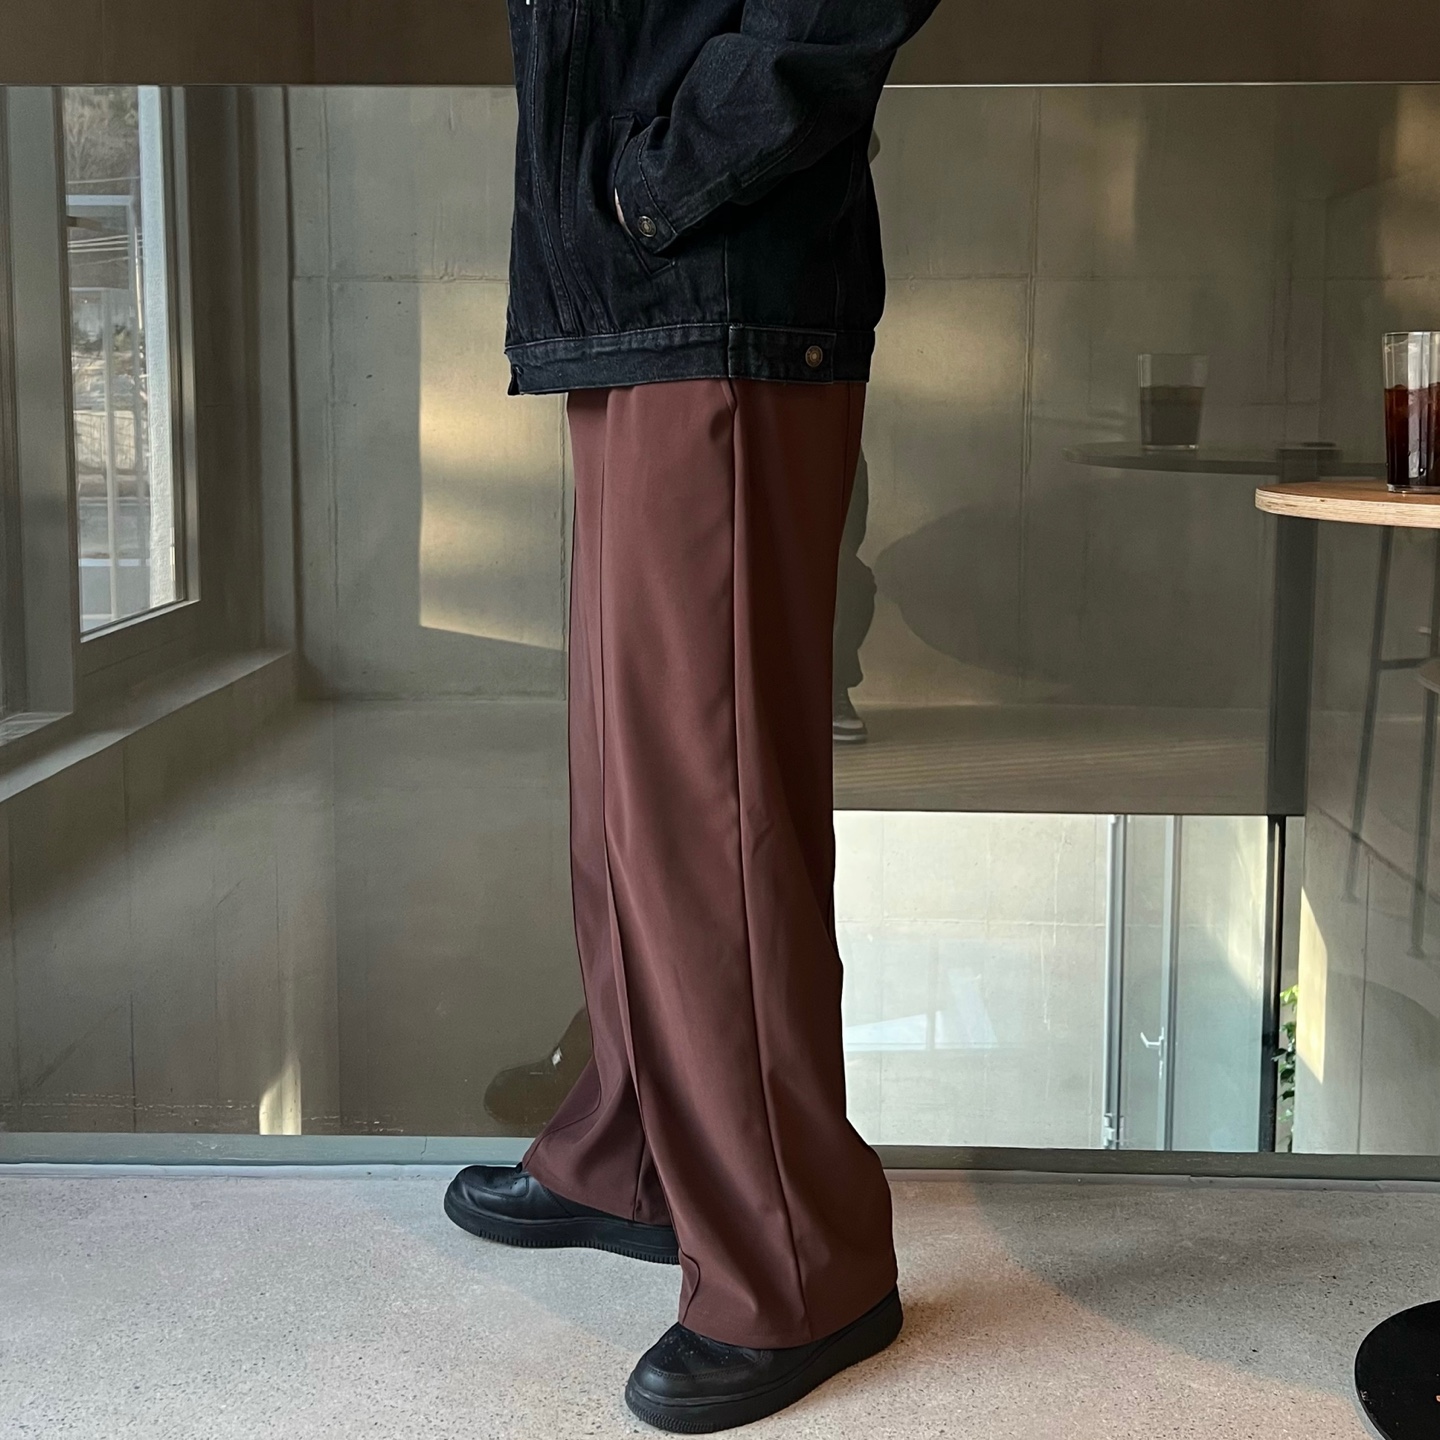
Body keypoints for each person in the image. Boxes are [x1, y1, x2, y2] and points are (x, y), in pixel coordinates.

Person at [445, 0, 940, 1429]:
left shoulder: (681, 206)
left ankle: (801, 1265)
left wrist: (667, 172)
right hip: (635, 293)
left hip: (716, 268)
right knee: (625, 791)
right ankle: (636, 1155)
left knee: (708, 809)